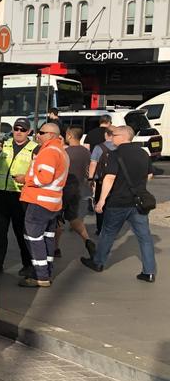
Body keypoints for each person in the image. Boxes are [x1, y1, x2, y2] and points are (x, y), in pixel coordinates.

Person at [81, 126, 157, 282]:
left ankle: (98, 262)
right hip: (138, 203)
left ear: (123, 136)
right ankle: (149, 272)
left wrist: (101, 200)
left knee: (108, 233)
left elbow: (109, 178)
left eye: (113, 135)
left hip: (118, 202)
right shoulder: (143, 153)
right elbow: (149, 175)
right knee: (145, 238)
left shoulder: (115, 154)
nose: (110, 138)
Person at [18, 123, 69, 288]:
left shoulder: (48, 152)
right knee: (48, 237)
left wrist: (25, 179)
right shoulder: (61, 151)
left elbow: (44, 178)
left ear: (51, 135)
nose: (37, 135)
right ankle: (46, 271)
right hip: (53, 203)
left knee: (33, 238)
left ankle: (40, 275)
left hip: (39, 201)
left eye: (41, 132)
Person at [0, 118, 38, 276]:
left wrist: (27, 178)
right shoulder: (6, 144)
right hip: (1, 195)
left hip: (20, 196)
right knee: (0, 232)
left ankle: (28, 264)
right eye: (16, 128)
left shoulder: (35, 149)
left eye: (22, 129)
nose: (18, 132)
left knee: (21, 232)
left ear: (29, 132)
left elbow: (40, 173)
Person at [54, 126, 96, 259]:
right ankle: (87, 240)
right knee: (74, 219)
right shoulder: (86, 152)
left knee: (57, 220)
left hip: (64, 189)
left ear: (69, 136)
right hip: (79, 189)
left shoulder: (65, 152)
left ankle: (55, 248)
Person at [88, 127, 117, 235]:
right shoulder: (119, 147)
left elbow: (93, 163)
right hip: (117, 181)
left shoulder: (99, 147)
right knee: (113, 206)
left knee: (100, 205)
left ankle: (100, 229)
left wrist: (90, 178)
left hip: (101, 180)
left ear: (106, 135)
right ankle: (112, 229)